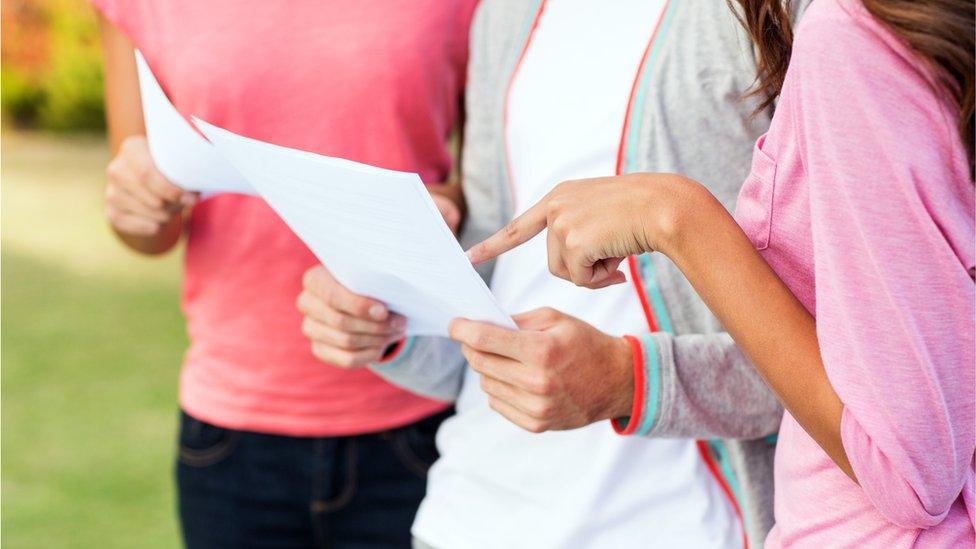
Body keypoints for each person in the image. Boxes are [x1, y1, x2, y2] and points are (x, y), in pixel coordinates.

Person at [297, 0, 811, 546]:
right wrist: (389, 319)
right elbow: (489, 306)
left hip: (685, 525)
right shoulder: (506, 12)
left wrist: (630, 382)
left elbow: (845, 379)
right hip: (467, 515)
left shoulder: (780, 14)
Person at [466, 0, 976, 546]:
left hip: (705, 521)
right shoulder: (504, 14)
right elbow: (486, 258)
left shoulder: (846, 32)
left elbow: (910, 467)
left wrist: (677, 220)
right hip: (478, 500)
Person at [93, 1, 476, 546]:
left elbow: (490, 187)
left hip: (420, 412)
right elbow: (147, 228)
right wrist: (136, 202)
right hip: (232, 431)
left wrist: (448, 206)